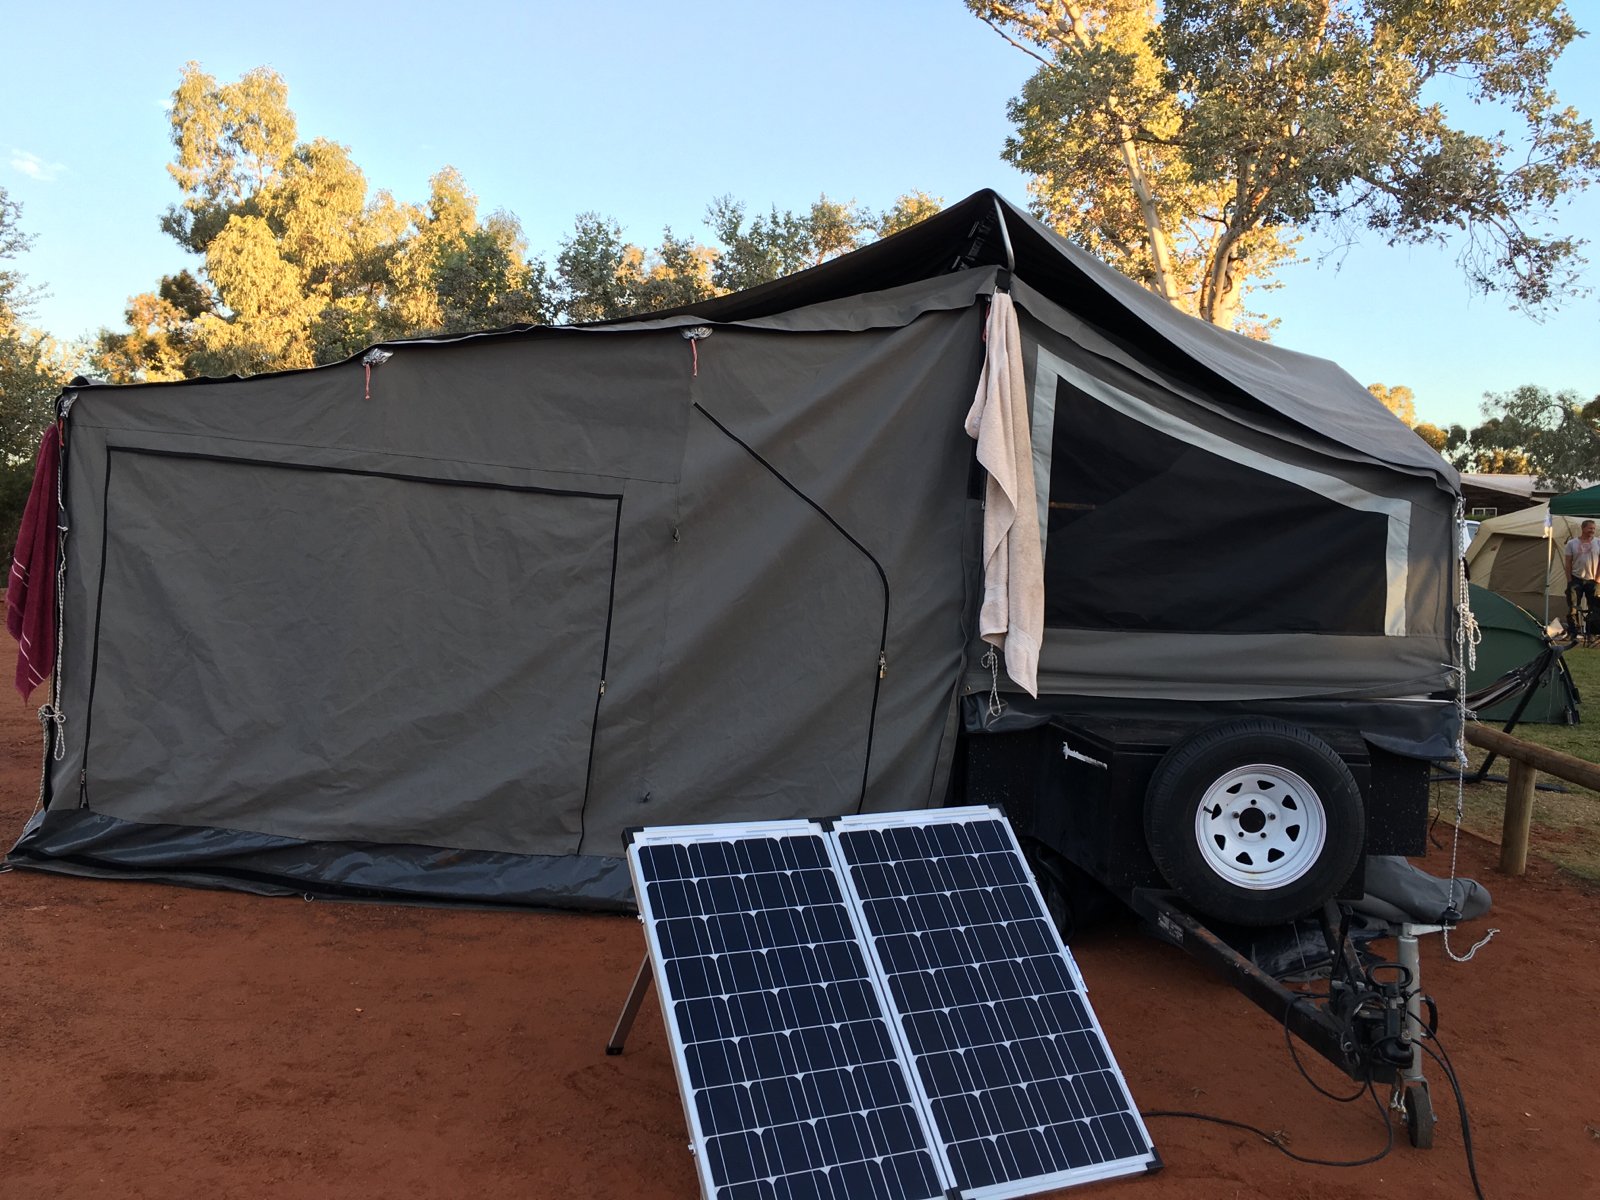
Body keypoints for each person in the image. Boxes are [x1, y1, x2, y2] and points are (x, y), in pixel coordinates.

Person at [1565, 519, 1599, 636]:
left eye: (1594, 528)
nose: (1592, 531)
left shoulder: (1598, 543)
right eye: (1590, 528)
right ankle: (1574, 632)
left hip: (1593, 580)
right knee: (1573, 607)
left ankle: (1592, 632)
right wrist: (1569, 580)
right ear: (1583, 528)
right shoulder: (1572, 543)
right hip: (1576, 578)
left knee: (1594, 608)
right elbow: (1568, 562)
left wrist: (1598, 579)